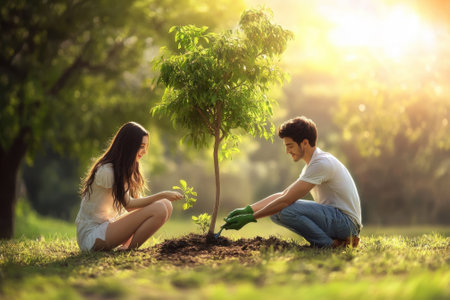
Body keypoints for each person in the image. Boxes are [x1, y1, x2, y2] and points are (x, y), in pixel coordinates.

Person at [223, 116, 362, 248]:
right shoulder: (312, 165)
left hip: (347, 223)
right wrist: (248, 209)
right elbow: (284, 194)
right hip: (337, 220)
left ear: (305, 143)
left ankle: (330, 244)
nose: (287, 151)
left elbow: (286, 200)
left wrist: (250, 218)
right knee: (275, 213)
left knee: (285, 209)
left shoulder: (322, 163)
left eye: (290, 146)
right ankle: (336, 241)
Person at [75, 122, 183, 251]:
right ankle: (128, 249)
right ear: (129, 145)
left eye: (146, 147)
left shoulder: (126, 168)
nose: (144, 152)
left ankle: (127, 247)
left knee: (166, 205)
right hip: (93, 235)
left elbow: (138, 203)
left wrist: (163, 199)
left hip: (110, 225)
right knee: (160, 206)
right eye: (141, 146)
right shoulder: (107, 171)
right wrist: (163, 194)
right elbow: (129, 205)